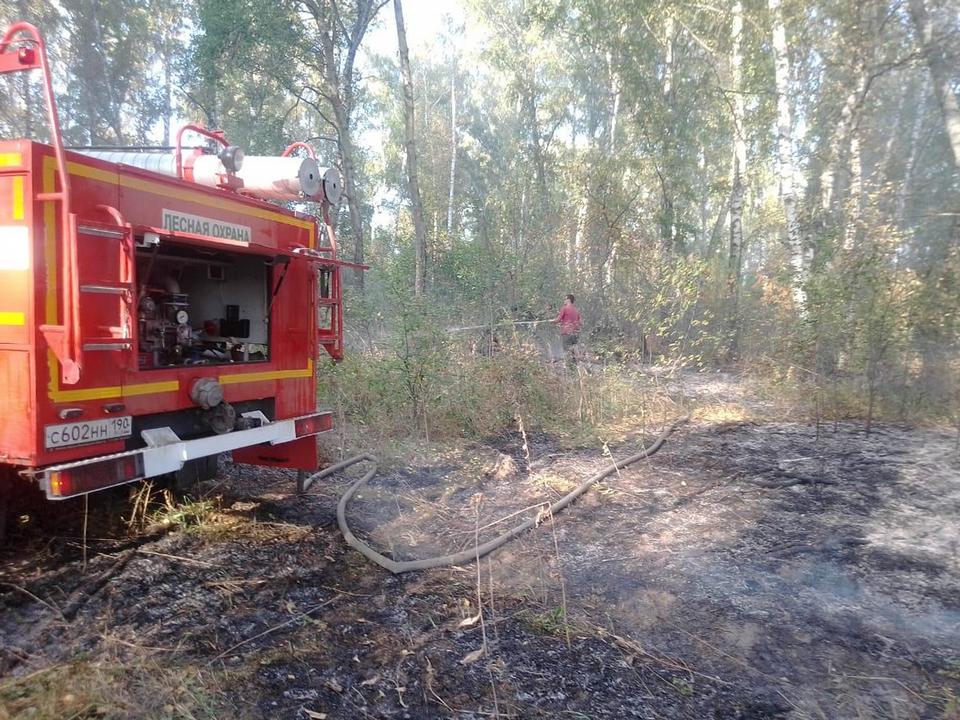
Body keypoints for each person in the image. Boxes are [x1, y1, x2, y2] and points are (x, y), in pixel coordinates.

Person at [553, 294, 582, 364]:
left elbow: (558, 320)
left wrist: (552, 321)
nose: (564, 301)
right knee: (573, 355)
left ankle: (574, 352)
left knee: (567, 350)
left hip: (566, 333)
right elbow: (580, 322)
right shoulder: (576, 310)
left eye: (565, 299)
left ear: (568, 300)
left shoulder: (564, 308)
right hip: (575, 334)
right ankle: (575, 369)